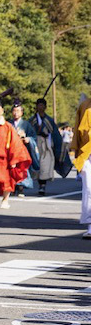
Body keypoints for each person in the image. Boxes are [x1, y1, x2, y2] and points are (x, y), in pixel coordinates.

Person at [29, 98, 63, 196]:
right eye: (39, 105)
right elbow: (29, 130)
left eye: (42, 105)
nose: (40, 107)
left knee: (45, 165)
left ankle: (42, 186)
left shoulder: (49, 120)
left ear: (45, 107)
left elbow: (55, 133)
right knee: (36, 165)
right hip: (35, 144)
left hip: (46, 144)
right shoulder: (33, 119)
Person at [7, 101, 40, 198]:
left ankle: (21, 188)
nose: (15, 113)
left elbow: (33, 136)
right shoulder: (8, 123)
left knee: (22, 169)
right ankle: (12, 187)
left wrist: (28, 139)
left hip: (22, 149)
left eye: (18, 111)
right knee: (11, 169)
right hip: (11, 150)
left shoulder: (26, 124)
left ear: (22, 112)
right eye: (14, 111)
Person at [73, 93, 91, 240]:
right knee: (89, 189)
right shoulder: (84, 106)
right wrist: (77, 153)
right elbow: (77, 133)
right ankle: (90, 226)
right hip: (87, 153)